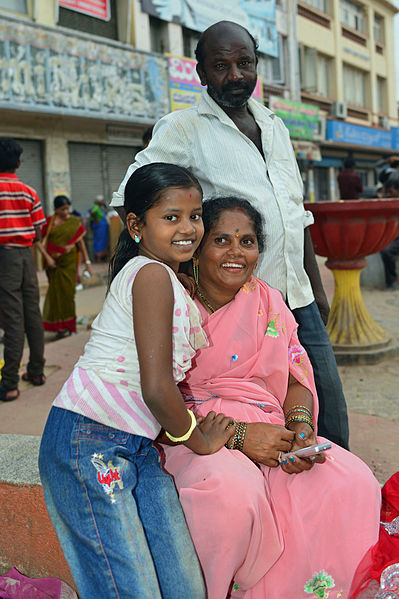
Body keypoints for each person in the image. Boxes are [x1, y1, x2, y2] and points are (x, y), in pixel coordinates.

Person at [110, 20, 349, 450]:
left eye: (244, 63)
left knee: (327, 411)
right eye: (220, 65)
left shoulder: (275, 126)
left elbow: (295, 215)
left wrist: (314, 287)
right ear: (201, 74)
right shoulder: (183, 128)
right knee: (250, 414)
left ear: (257, 64)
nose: (235, 75)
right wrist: (168, 270)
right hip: (234, 304)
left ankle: (327, 503)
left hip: (296, 299)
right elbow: (130, 196)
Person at [161, 197, 381, 599]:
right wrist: (242, 437)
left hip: (273, 427)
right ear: (197, 248)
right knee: (234, 499)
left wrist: (300, 427)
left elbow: (297, 378)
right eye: (221, 240)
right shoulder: (173, 303)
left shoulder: (266, 300)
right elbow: (159, 400)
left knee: (352, 482)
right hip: (197, 435)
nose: (235, 253)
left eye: (246, 242)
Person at [38, 163, 235, 599]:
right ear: (136, 225)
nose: (188, 228)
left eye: (195, 215)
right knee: (131, 588)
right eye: (171, 217)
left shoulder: (163, 276)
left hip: (136, 444)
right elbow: (157, 387)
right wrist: (197, 439)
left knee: (182, 582)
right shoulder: (150, 275)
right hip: (87, 443)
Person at [0, 138, 46, 400]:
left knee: (12, 319)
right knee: (32, 314)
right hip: (27, 256)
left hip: (4, 258)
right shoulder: (28, 191)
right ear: (18, 163)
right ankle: (37, 371)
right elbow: (38, 230)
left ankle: (9, 383)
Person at [39, 195, 92, 338]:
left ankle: (70, 325)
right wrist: (47, 257)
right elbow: (37, 241)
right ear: (56, 209)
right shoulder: (49, 223)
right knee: (56, 295)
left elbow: (81, 243)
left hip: (69, 263)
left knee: (68, 295)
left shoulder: (74, 222)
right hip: (53, 265)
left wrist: (87, 263)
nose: (66, 212)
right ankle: (59, 328)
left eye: (68, 208)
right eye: (63, 209)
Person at [380, 171, 399, 290]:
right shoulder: (389, 203)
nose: (388, 194)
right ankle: (391, 282)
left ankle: (392, 281)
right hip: (394, 236)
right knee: (383, 249)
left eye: (390, 192)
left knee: (387, 250)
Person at [90, 194, 109, 262]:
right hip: (99, 228)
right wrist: (96, 220)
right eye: (102, 201)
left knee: (102, 242)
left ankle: (100, 258)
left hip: (102, 228)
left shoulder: (100, 208)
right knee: (99, 242)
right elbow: (92, 212)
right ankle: (98, 259)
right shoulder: (96, 207)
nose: (103, 202)